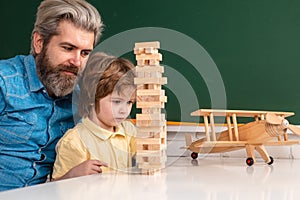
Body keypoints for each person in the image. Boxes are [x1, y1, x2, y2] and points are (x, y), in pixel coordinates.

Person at [0, 0, 103, 191]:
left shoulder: (80, 100)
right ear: (39, 43)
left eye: (85, 53)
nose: (77, 62)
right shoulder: (4, 81)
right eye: (68, 48)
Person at [52, 52, 137, 180]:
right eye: (117, 102)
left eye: (129, 102)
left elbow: (147, 155)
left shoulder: (128, 130)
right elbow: (55, 188)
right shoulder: (74, 141)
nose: (124, 110)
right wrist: (74, 174)